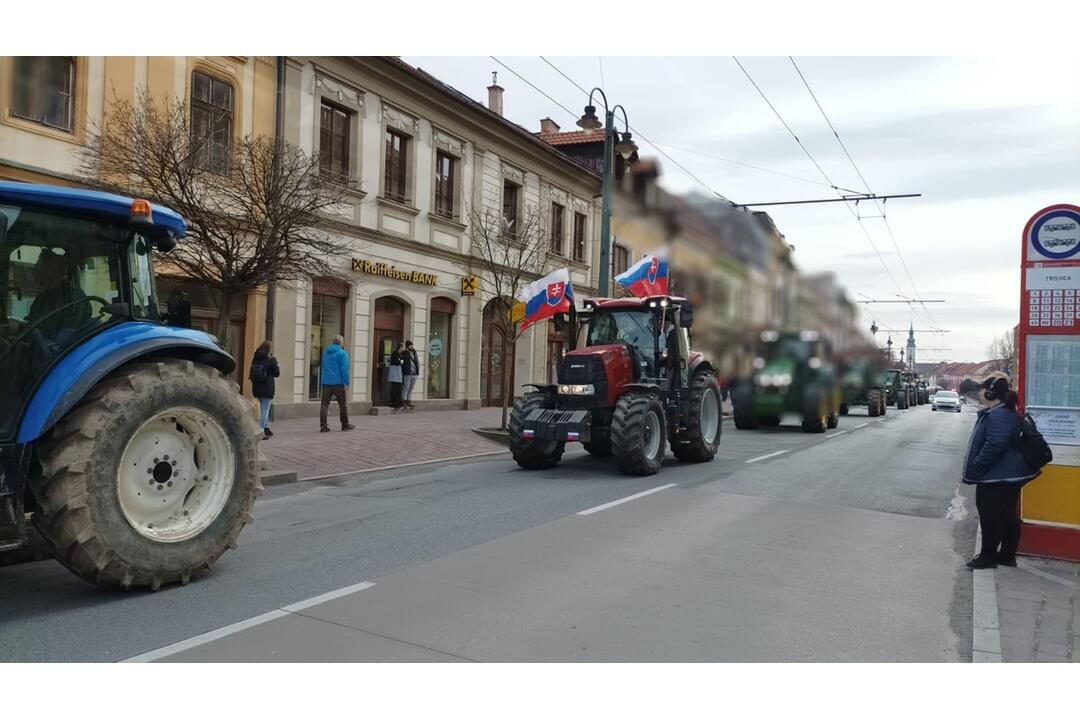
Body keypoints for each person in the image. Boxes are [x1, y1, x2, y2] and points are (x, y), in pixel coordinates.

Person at [962, 373, 1040, 569]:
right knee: (1006, 514)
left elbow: (996, 444)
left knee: (990, 515)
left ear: (989, 394)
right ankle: (1006, 555)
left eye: (981, 391)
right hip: (1007, 474)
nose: (979, 394)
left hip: (999, 476)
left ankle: (988, 557)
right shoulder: (1003, 412)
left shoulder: (999, 414)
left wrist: (979, 463)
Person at [319, 335, 354, 432]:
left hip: (326, 382)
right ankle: (345, 424)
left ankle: (323, 426)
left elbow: (323, 366)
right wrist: (346, 382)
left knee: (324, 404)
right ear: (341, 343)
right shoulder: (342, 353)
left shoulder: (325, 353)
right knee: (342, 404)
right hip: (338, 382)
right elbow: (344, 369)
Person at [249, 341, 280, 439]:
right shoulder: (270, 359)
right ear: (269, 349)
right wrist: (274, 362)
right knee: (265, 410)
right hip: (267, 387)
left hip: (257, 387)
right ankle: (261, 431)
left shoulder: (256, 357)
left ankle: (266, 427)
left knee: (263, 407)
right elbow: (276, 373)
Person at [401, 340, 420, 410]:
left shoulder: (414, 352)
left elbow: (417, 361)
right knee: (406, 387)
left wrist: (417, 370)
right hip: (407, 373)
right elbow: (402, 362)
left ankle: (408, 401)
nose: (412, 346)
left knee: (411, 388)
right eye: (410, 345)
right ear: (407, 346)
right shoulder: (404, 353)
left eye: (412, 345)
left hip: (414, 373)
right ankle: (403, 401)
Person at [388, 341, 404, 410]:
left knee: (398, 388)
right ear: (400, 347)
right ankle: (393, 402)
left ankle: (398, 402)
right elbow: (397, 362)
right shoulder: (395, 353)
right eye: (403, 346)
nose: (403, 348)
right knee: (394, 388)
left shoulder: (400, 354)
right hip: (395, 373)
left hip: (398, 373)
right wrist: (400, 361)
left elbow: (402, 361)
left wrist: (400, 361)